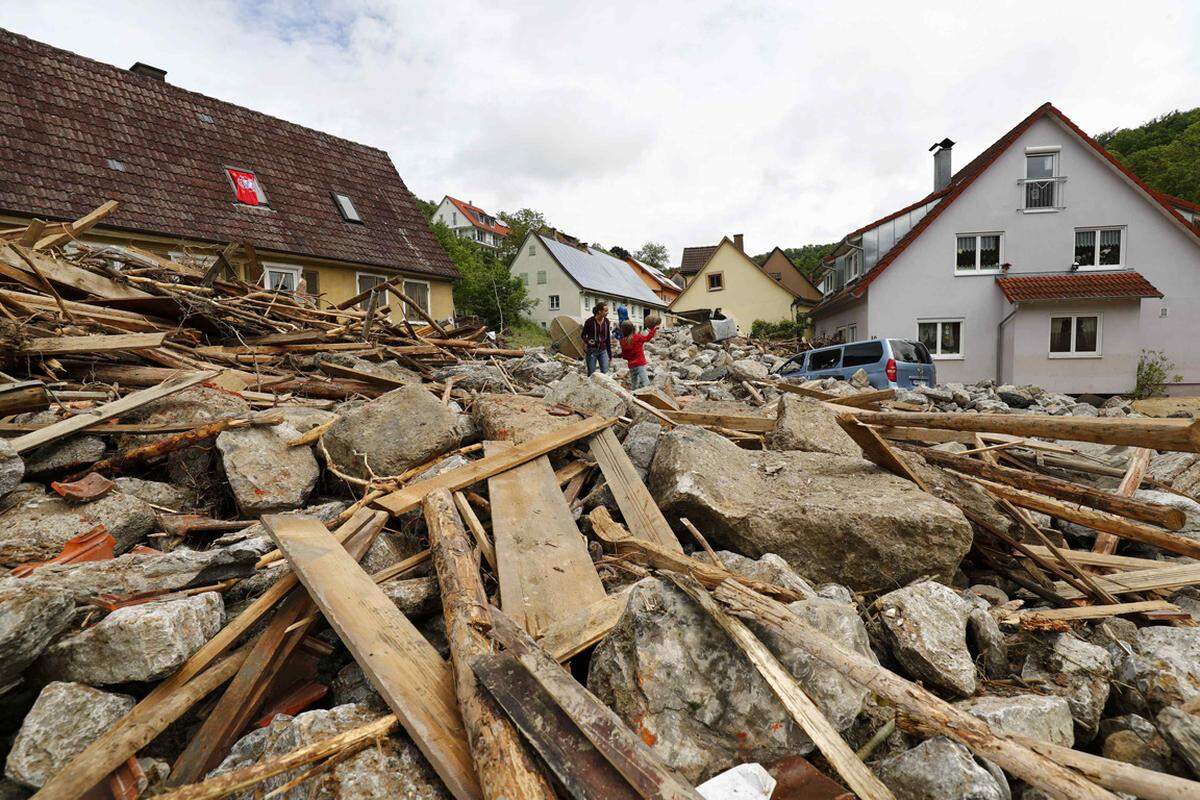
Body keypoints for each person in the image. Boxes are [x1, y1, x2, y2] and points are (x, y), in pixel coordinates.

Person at [619, 319, 658, 389]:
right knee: (646, 382)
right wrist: (653, 330)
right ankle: (649, 397)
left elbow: (624, 356)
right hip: (640, 363)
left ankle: (633, 397)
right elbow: (647, 338)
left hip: (631, 365)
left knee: (634, 384)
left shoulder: (622, 341)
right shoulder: (637, 337)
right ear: (632, 328)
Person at [581, 302, 612, 375]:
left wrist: (610, 355)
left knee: (605, 372)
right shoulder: (589, 321)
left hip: (603, 350)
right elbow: (583, 335)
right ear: (599, 311)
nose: (608, 312)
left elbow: (608, 339)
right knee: (592, 374)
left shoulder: (606, 322)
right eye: (606, 311)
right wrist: (587, 341)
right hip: (592, 351)